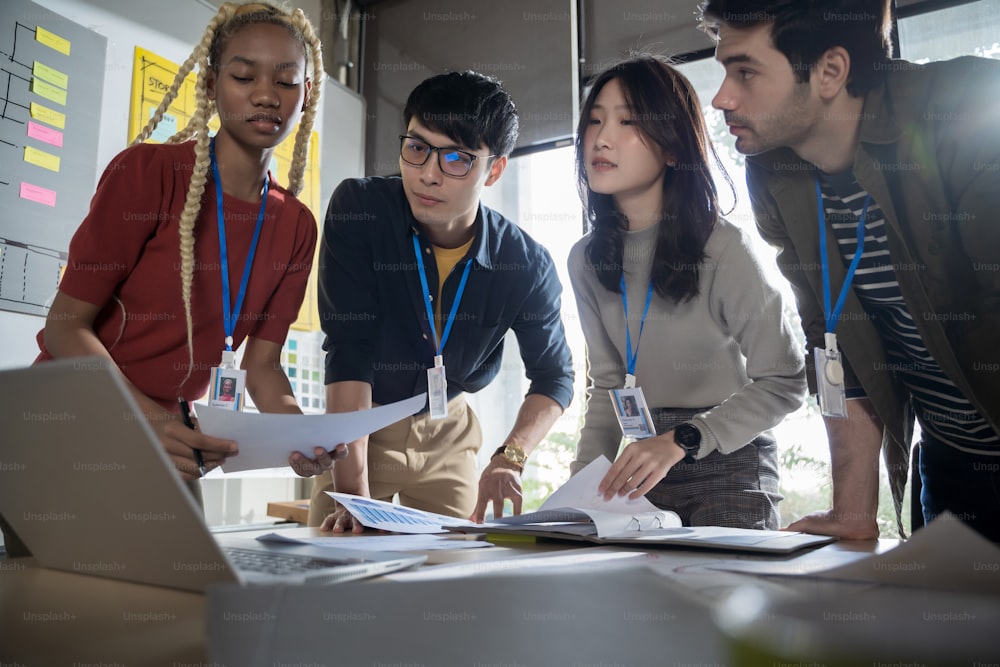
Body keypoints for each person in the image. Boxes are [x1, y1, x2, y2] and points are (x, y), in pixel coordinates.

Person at [699, 0, 1000, 541]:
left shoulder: (968, 114)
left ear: (831, 71)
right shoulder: (774, 170)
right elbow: (833, 343)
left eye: (745, 72)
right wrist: (853, 513)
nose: (722, 98)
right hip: (953, 462)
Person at [30, 4, 337, 486]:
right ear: (212, 83)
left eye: (285, 81)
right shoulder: (147, 174)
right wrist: (148, 423)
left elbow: (262, 366)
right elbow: (65, 328)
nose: (265, 94)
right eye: (243, 76)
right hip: (76, 413)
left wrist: (297, 432)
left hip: (173, 440)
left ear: (306, 93)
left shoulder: (297, 225)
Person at [313, 70, 575, 531]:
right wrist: (353, 497)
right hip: (360, 427)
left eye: (457, 159)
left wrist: (510, 458)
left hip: (449, 433)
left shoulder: (525, 263)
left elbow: (555, 377)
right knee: (336, 570)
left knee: (448, 581)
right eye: (416, 148)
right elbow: (349, 351)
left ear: (494, 169)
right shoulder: (361, 210)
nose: (427, 175)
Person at [568, 54, 806, 530]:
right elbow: (609, 388)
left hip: (727, 463)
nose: (601, 137)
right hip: (637, 473)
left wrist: (684, 439)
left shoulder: (723, 247)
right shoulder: (586, 259)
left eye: (628, 121)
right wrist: (577, 494)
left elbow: (786, 380)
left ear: (673, 148)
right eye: (594, 120)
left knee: (716, 600)